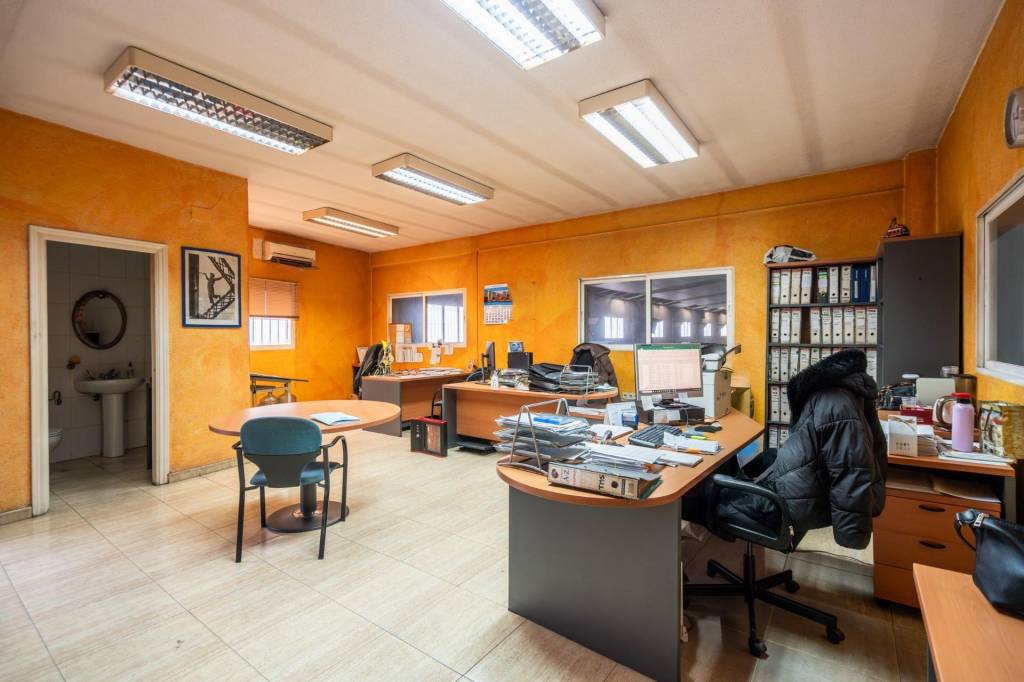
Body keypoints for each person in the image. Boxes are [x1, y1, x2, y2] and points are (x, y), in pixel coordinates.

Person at [716, 349, 887, 549]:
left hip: (788, 503)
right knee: (761, 458)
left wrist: (852, 535)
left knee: (707, 491)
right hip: (801, 488)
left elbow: (850, 470)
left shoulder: (833, 401)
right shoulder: (845, 393)